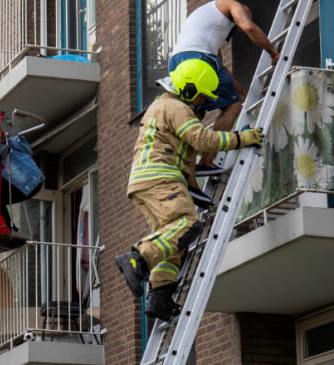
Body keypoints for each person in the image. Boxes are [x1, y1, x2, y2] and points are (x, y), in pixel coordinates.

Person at [115, 58, 264, 321]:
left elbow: (185, 156)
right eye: (200, 97)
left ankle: (160, 296)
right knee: (187, 224)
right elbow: (203, 140)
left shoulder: (163, 106)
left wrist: (196, 192)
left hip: (148, 180)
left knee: (173, 242)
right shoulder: (175, 107)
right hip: (161, 178)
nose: (202, 104)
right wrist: (243, 138)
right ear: (187, 89)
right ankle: (138, 258)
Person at [169, 0, 278, 202]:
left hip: (177, 62)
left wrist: (242, 91)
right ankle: (207, 161)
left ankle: (189, 174)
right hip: (199, 60)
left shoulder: (206, 21)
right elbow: (248, 27)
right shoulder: (232, 4)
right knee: (233, 107)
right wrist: (273, 52)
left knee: (193, 117)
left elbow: (220, 69)